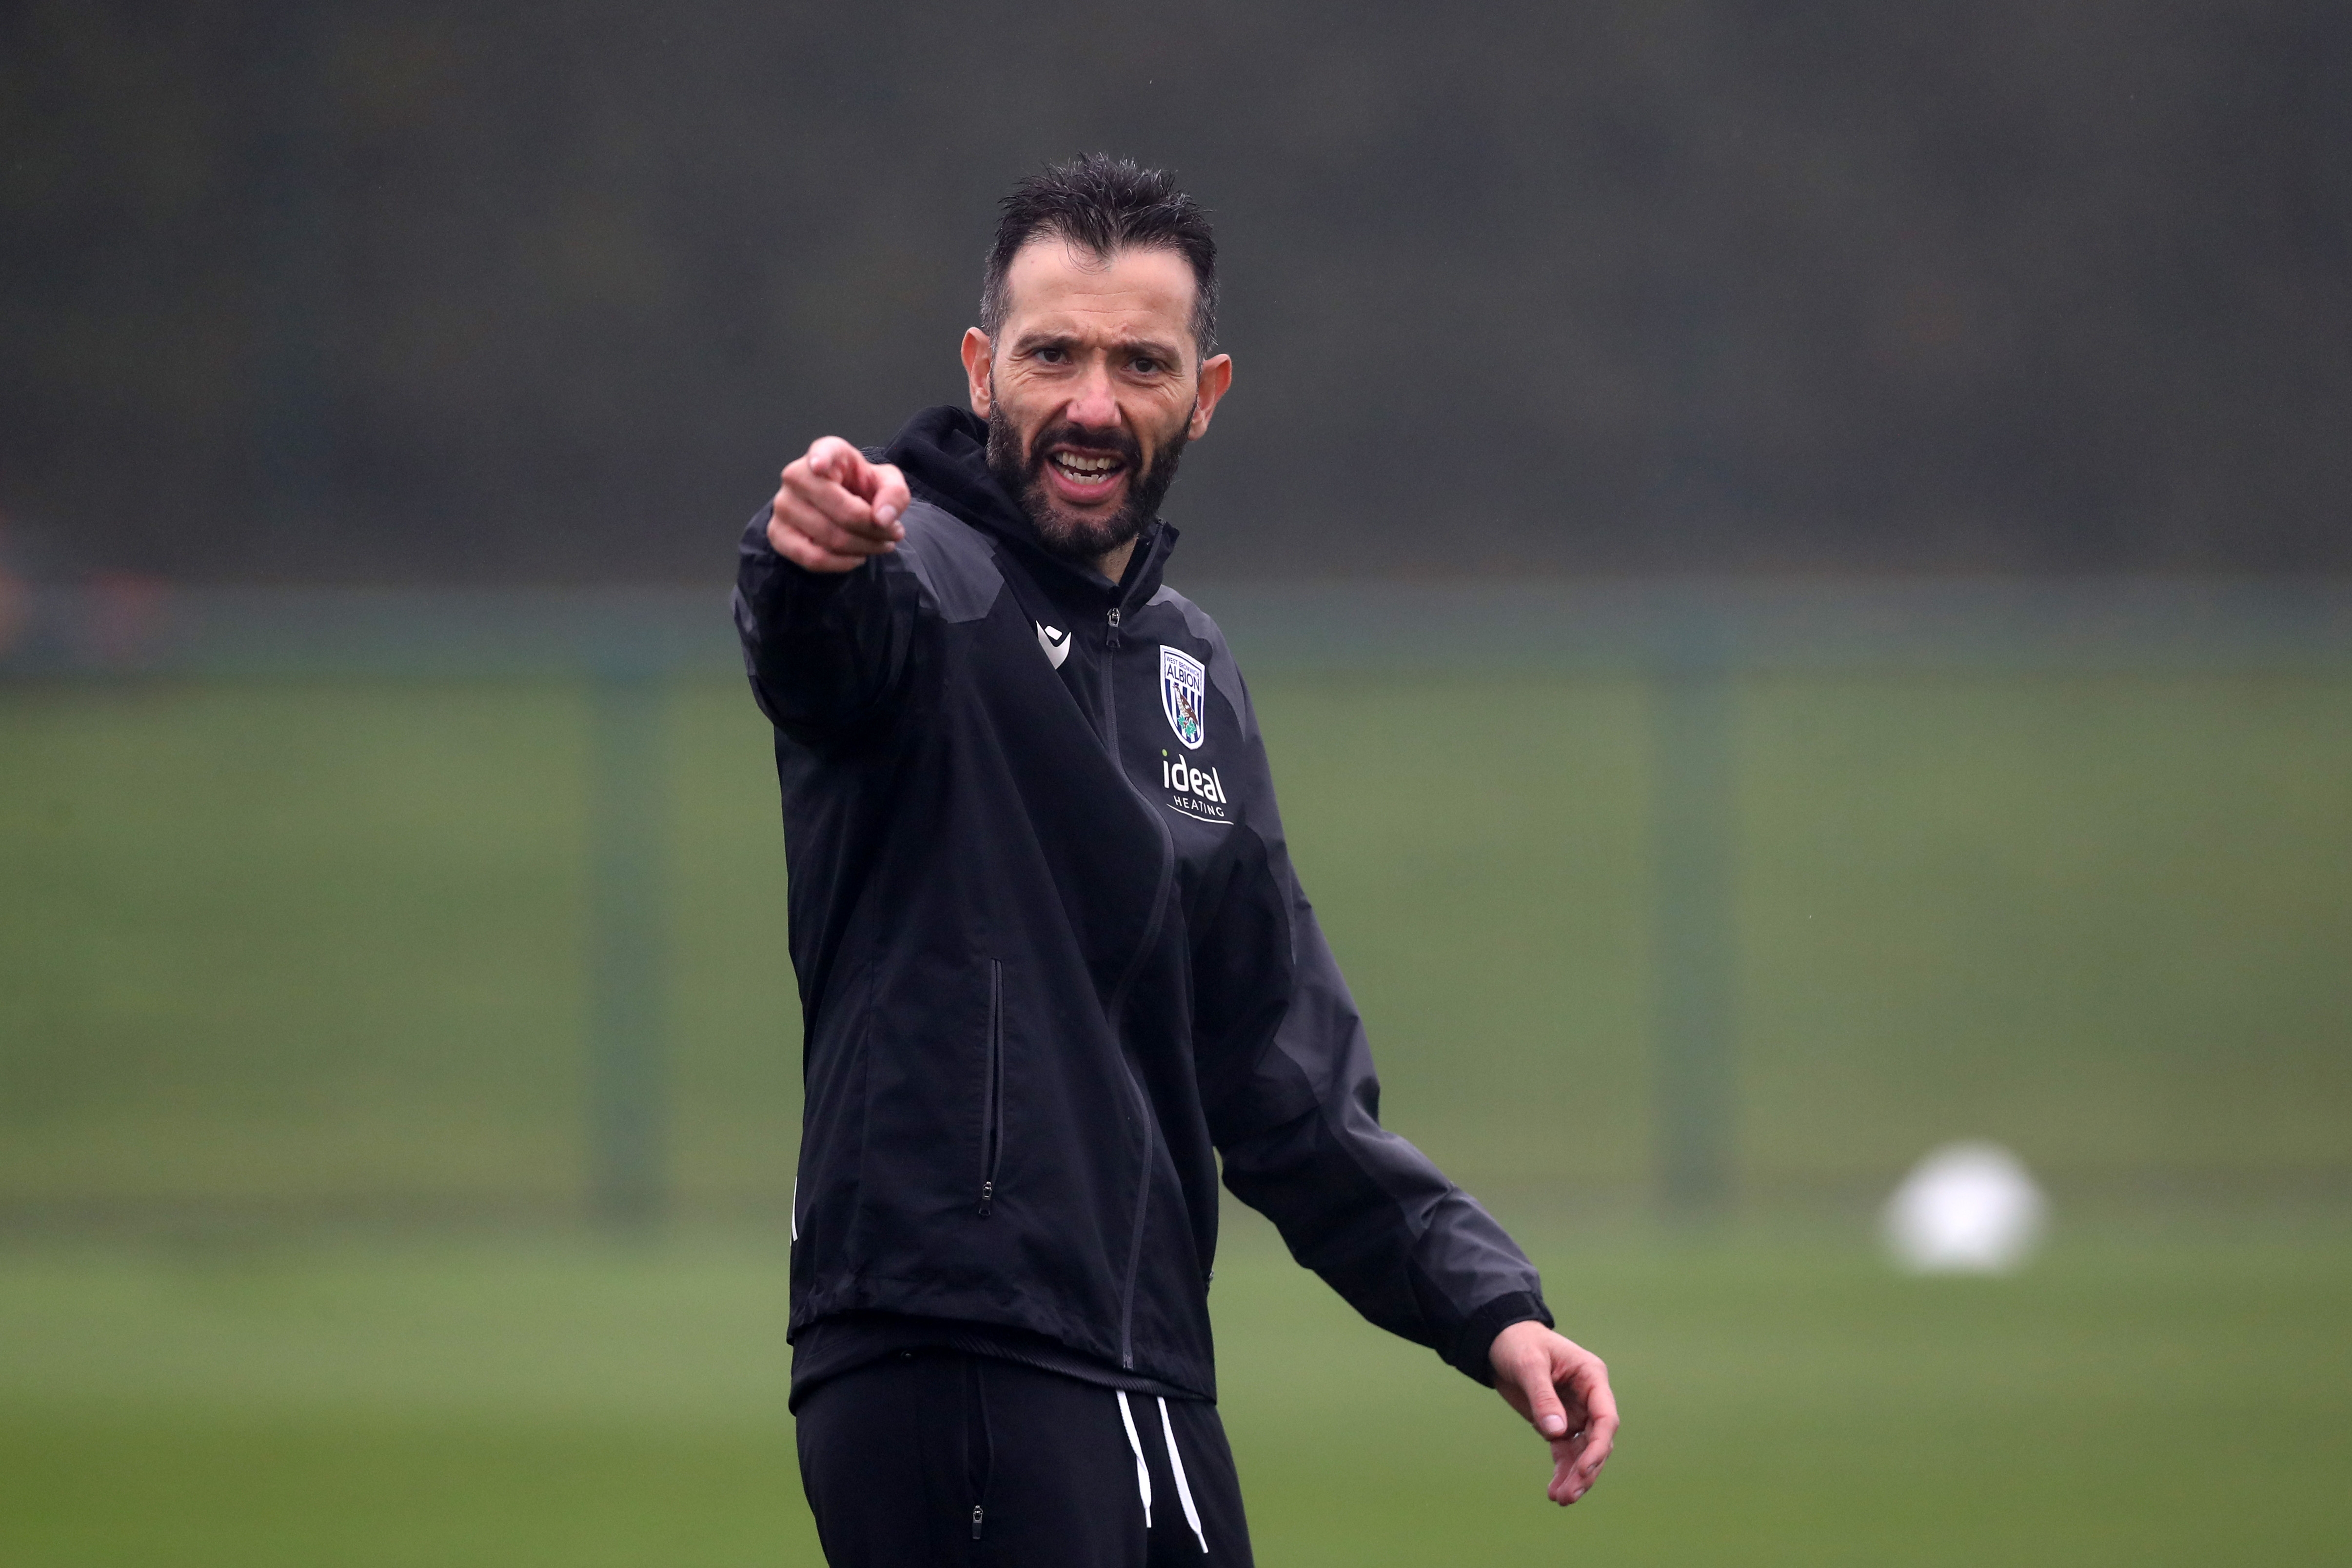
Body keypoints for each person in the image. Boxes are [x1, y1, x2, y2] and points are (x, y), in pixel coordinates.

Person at [734, 154, 1617, 1565]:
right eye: (1052, 354)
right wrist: (810, 560)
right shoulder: (920, 578)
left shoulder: (1187, 664)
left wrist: (1489, 1306)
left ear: (1203, 394)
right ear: (982, 368)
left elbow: (1277, 1065)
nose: (1091, 402)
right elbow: (821, 655)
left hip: (1147, 1369)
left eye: (1139, 362)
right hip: (947, 1349)